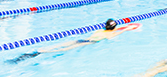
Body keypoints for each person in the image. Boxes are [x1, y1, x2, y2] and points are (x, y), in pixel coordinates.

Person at [8, 19, 138, 63]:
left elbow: (111, 30)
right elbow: (115, 33)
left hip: (82, 39)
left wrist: (123, 27)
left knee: (58, 45)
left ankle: (37, 51)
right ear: (114, 28)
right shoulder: (110, 35)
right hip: (89, 43)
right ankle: (39, 54)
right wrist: (126, 29)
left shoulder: (100, 31)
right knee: (63, 50)